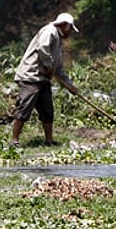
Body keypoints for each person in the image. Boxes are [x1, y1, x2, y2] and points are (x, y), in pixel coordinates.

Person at [9, 12, 81, 147]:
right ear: (65, 25)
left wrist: (70, 86)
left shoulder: (58, 42)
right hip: (31, 76)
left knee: (47, 110)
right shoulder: (50, 31)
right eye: (70, 29)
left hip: (43, 79)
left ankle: (49, 141)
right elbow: (42, 48)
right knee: (25, 107)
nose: (70, 33)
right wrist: (48, 65)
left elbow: (58, 70)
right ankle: (14, 140)